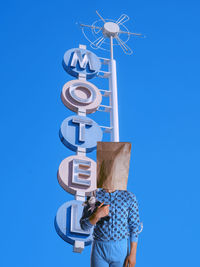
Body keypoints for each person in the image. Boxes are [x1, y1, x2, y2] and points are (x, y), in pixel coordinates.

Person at [80, 142, 142, 267]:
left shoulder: (129, 197)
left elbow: (134, 226)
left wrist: (133, 253)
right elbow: (84, 226)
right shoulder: (93, 196)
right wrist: (96, 215)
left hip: (121, 249)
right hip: (99, 248)